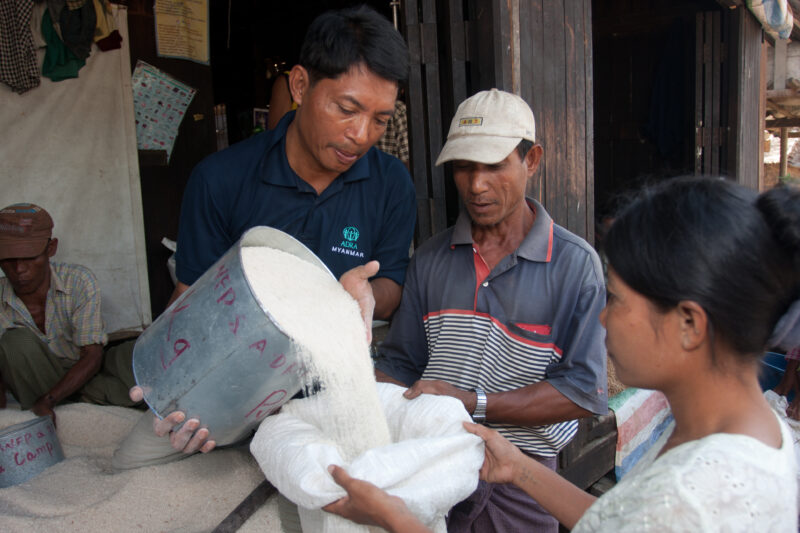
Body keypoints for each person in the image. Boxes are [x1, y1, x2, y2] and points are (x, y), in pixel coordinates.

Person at [324, 178, 800, 532]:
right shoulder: (754, 431)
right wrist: (521, 467)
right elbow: (624, 521)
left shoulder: (695, 495)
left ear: (689, 323)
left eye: (616, 299)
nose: (603, 320)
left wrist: (400, 521)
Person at [113, 3, 414, 475]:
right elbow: (189, 296)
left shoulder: (392, 183)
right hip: (237, 379)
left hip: (327, 384)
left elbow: (391, 285)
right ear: (300, 86)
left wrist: (356, 298)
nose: (360, 135)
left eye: (380, 119)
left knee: (348, 485)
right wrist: (166, 380)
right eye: (347, 109)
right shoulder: (222, 178)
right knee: (133, 461)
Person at [372, 89, 608, 533]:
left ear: (531, 160)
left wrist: (474, 405)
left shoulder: (576, 266)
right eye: (463, 167)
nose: (476, 185)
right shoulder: (430, 259)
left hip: (524, 479)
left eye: (494, 165)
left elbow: (582, 391)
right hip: (432, 467)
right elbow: (399, 365)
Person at [0, 203, 140, 424]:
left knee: (136, 352)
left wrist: (49, 399)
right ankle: (86, 403)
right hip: (38, 380)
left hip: (83, 373)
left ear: (51, 248)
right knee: (15, 342)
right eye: (8, 260)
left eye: (29, 258)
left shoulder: (78, 280)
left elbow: (92, 355)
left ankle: (77, 401)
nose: (19, 269)